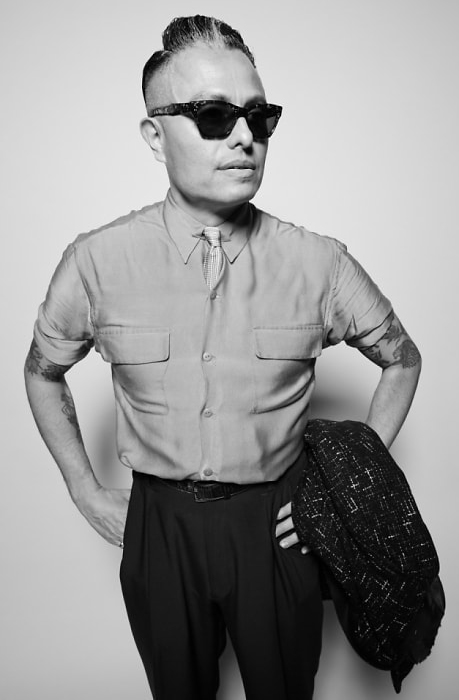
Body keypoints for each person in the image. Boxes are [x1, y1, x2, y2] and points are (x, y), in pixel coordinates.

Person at [24, 15, 422, 700]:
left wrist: (344, 491)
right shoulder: (96, 261)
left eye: (259, 117)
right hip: (160, 527)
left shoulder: (319, 261)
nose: (244, 137)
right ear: (155, 135)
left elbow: (402, 359)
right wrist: (84, 489)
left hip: (277, 527)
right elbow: (42, 372)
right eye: (213, 116)